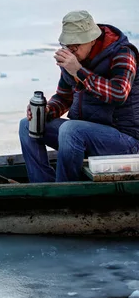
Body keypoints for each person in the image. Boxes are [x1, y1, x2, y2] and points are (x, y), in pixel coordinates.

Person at [19, 10, 139, 182]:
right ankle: (42, 190)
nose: (71, 50)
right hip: (83, 136)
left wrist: (79, 71)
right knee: (27, 125)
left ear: (92, 39)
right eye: (67, 45)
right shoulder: (73, 60)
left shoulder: (123, 54)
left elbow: (119, 93)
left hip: (126, 141)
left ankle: (65, 194)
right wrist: (47, 110)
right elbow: (64, 97)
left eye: (76, 45)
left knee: (71, 130)